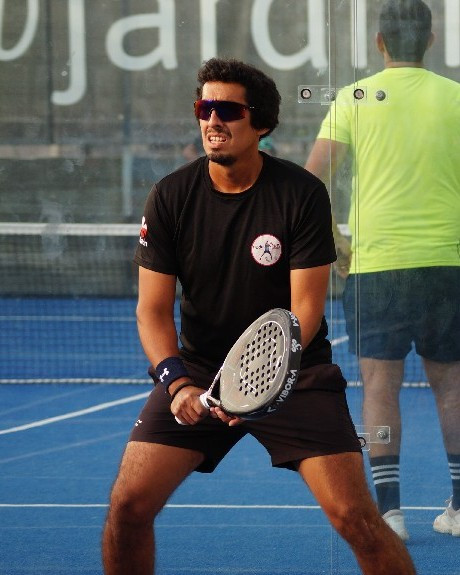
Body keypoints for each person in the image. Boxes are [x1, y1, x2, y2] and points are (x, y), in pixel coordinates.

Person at [102, 57, 416, 575]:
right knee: (129, 507)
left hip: (294, 371)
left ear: (262, 123)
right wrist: (177, 384)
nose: (212, 120)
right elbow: (151, 310)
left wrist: (255, 382)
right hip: (199, 371)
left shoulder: (301, 194)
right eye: (204, 108)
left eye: (228, 110)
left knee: (355, 518)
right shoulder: (170, 197)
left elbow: (305, 308)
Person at [305, 0, 460, 541]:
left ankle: (390, 514)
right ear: (431, 40)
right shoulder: (456, 98)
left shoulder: (355, 98)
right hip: (447, 266)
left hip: (378, 270)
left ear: (379, 43)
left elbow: (311, 182)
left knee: (378, 388)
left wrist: (332, 240)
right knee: (453, 388)